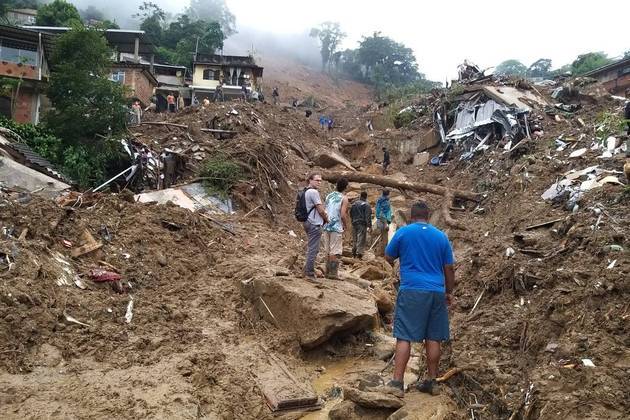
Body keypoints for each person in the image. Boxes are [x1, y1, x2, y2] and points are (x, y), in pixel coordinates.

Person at [382, 201, 455, 397]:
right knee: (433, 337)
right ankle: (432, 382)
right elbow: (449, 268)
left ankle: (397, 383)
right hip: (436, 291)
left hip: (412, 289)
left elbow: (388, 256)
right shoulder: (441, 236)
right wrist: (449, 292)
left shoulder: (404, 233)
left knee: (404, 335)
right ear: (429, 216)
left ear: (411, 216)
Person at [302, 172, 329, 280]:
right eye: (317, 180)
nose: (319, 182)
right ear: (310, 180)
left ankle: (306, 270)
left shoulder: (305, 191)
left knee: (311, 248)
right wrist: (326, 219)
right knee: (313, 249)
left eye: (320, 180)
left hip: (307, 221)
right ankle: (309, 274)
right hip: (314, 223)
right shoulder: (313, 192)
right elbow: (321, 210)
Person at [322, 178, 349, 279]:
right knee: (335, 250)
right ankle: (333, 274)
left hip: (326, 224)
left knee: (327, 249)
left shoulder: (329, 195)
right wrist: (345, 225)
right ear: (345, 187)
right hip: (336, 226)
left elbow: (325, 209)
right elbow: (342, 214)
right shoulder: (344, 198)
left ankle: (327, 272)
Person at [350, 191, 372, 259]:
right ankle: (359, 254)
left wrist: (353, 221)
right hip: (362, 224)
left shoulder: (354, 204)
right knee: (361, 238)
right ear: (366, 197)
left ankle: (353, 252)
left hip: (354, 223)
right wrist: (369, 226)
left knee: (355, 239)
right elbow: (367, 216)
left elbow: (351, 214)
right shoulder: (366, 205)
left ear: (360, 196)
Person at [375, 188, 392, 256]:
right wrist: (387, 223)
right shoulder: (386, 202)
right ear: (388, 194)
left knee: (381, 236)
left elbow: (378, 211)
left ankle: (380, 252)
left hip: (379, 220)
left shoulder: (379, 201)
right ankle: (384, 253)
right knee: (385, 238)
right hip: (384, 221)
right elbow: (386, 213)